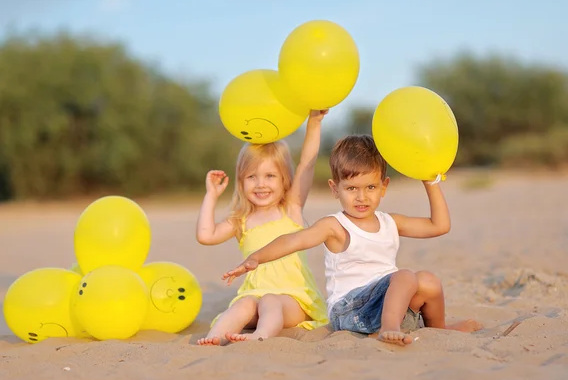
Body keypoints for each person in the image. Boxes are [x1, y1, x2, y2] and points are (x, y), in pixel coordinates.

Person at [223, 134, 482, 346]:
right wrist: (255, 258)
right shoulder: (335, 226)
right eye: (351, 189)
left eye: (370, 187)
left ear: (384, 187)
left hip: (385, 301)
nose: (361, 197)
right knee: (405, 276)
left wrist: (430, 180)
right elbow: (293, 241)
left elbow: (439, 226)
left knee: (428, 280)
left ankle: (439, 328)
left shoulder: (390, 221)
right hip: (349, 311)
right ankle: (388, 328)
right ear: (335, 189)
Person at [196, 110, 330, 346]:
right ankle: (213, 339)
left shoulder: (291, 209)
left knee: (270, 300)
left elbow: (307, 163)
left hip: (293, 301)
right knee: (242, 305)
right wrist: (211, 195)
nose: (261, 184)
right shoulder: (241, 220)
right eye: (251, 177)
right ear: (241, 181)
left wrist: (315, 122)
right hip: (253, 297)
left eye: (270, 176)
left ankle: (260, 336)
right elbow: (206, 236)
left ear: (284, 180)